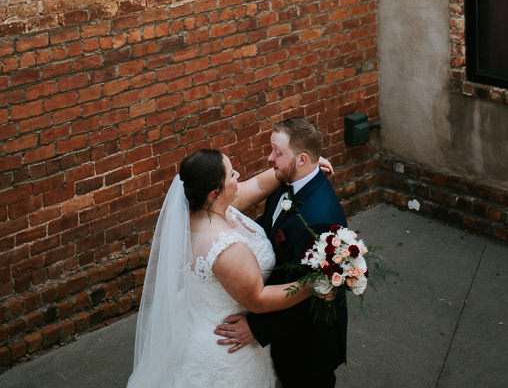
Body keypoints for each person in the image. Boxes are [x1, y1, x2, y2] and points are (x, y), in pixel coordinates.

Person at [126, 146, 319, 388]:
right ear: (214, 192)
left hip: (197, 324)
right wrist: (313, 284)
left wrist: (309, 163)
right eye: (231, 174)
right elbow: (257, 299)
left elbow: (258, 185)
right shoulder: (226, 248)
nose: (237, 175)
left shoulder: (203, 210)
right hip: (226, 350)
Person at [215, 117, 348, 388]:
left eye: (277, 152)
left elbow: (313, 292)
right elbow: (270, 228)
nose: (269, 158)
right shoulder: (287, 182)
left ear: (301, 160)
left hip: (308, 344)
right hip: (287, 338)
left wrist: (256, 328)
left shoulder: (319, 219)